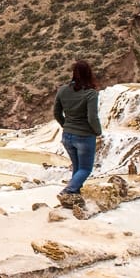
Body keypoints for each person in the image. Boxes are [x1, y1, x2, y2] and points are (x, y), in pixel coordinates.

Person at [53, 60, 103, 195]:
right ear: (89, 74)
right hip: (84, 136)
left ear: (74, 73)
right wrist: (98, 131)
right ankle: (68, 191)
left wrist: (65, 125)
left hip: (67, 135)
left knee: (77, 167)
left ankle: (75, 193)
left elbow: (56, 113)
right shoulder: (91, 93)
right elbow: (92, 117)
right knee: (85, 169)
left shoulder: (63, 90)